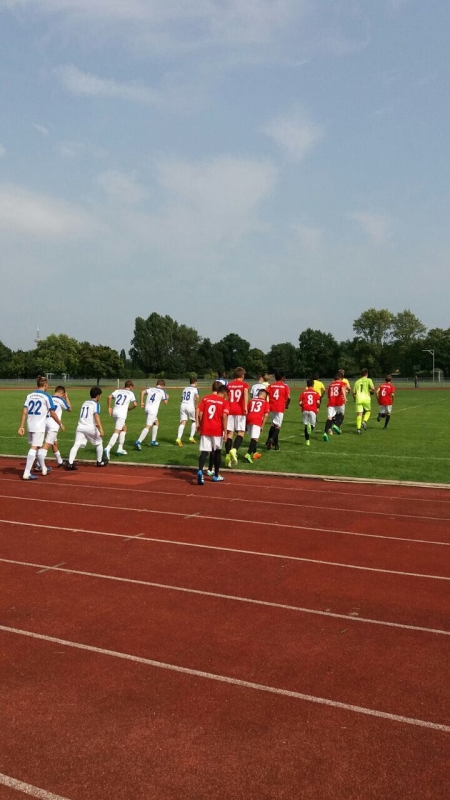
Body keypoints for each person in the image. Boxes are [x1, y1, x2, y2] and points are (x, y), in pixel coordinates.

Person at [18, 376, 63, 480]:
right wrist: (60, 424)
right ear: (45, 385)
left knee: (37, 447)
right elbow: (52, 413)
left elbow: (24, 411)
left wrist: (21, 426)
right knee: (34, 447)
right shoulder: (47, 396)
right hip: (39, 426)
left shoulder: (29, 395)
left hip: (30, 425)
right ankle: (26, 473)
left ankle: (44, 468)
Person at [195, 381, 229, 485]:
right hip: (217, 429)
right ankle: (216, 475)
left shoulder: (206, 398)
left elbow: (199, 412)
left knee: (204, 451)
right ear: (224, 393)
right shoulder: (224, 402)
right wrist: (225, 432)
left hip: (205, 427)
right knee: (217, 451)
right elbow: (224, 417)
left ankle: (200, 470)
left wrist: (199, 424)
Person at [66, 387, 106, 470]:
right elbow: (96, 415)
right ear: (98, 396)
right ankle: (99, 461)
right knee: (99, 442)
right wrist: (101, 429)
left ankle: (70, 463)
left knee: (76, 444)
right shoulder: (96, 404)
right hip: (89, 427)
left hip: (80, 426)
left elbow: (87, 415)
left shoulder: (85, 402)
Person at [104, 380, 137, 459]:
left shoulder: (118, 391)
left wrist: (109, 407)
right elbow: (135, 404)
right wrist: (129, 409)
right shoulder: (131, 393)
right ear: (130, 386)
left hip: (115, 412)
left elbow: (109, 397)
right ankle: (107, 448)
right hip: (121, 414)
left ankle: (120, 448)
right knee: (117, 431)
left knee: (124, 428)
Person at [40, 384, 71, 468]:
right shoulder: (60, 400)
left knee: (54, 443)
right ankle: (39, 464)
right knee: (47, 444)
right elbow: (69, 409)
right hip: (53, 424)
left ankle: (60, 461)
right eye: (63, 394)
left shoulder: (48, 398)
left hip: (44, 422)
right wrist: (66, 398)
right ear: (61, 393)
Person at [225, 367, 249, 467]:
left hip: (230, 410)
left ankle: (227, 455)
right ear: (242, 376)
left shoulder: (229, 385)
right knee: (241, 432)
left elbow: (226, 396)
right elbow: (245, 394)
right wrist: (245, 407)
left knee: (229, 433)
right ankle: (234, 450)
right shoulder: (244, 385)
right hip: (240, 411)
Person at [135, 379, 169, 450]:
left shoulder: (151, 389)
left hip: (147, 408)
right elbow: (165, 403)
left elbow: (142, 392)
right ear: (163, 385)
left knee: (156, 423)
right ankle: (138, 441)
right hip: (153, 410)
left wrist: (141, 402)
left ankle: (153, 441)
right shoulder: (162, 391)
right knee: (148, 426)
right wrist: (167, 397)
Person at [266, 371, 290, 451]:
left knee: (273, 425)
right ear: (282, 377)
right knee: (278, 426)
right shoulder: (285, 386)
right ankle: (271, 439)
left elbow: (265, 393)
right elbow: (289, 397)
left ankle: (275, 445)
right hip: (280, 407)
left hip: (271, 406)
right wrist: (287, 405)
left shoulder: (271, 385)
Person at [245, 389, 270, 463]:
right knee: (255, 438)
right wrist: (262, 425)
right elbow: (266, 415)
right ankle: (248, 454)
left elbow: (247, 411)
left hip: (249, 418)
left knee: (253, 437)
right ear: (265, 396)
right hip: (257, 419)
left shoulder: (252, 400)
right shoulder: (265, 403)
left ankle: (255, 453)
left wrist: (246, 423)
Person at [323, 373, 349, 442]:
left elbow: (328, 395)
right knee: (341, 414)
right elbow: (343, 388)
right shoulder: (342, 383)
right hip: (339, 402)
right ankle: (336, 425)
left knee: (329, 417)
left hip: (331, 402)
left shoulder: (331, 385)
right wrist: (345, 397)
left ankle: (325, 433)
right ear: (340, 378)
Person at [176, 378, 199, 446]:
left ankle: (178, 438)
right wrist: (196, 405)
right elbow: (197, 397)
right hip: (190, 406)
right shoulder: (195, 389)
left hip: (183, 405)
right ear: (195, 383)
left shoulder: (185, 389)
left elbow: (181, 399)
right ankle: (191, 437)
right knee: (194, 421)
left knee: (183, 422)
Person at [299, 379, 321, 446]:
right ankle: (310, 428)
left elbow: (300, 403)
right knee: (312, 425)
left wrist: (302, 404)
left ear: (307, 385)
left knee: (306, 426)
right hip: (312, 410)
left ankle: (307, 440)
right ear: (313, 385)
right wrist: (317, 407)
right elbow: (318, 402)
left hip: (305, 410)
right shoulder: (316, 393)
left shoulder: (303, 393)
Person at [353, 368, 375, 434]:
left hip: (358, 398)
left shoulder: (357, 382)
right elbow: (373, 388)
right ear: (367, 374)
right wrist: (371, 392)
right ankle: (364, 421)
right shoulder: (369, 380)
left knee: (359, 414)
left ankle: (358, 429)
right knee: (368, 411)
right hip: (366, 398)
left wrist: (355, 399)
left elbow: (353, 393)